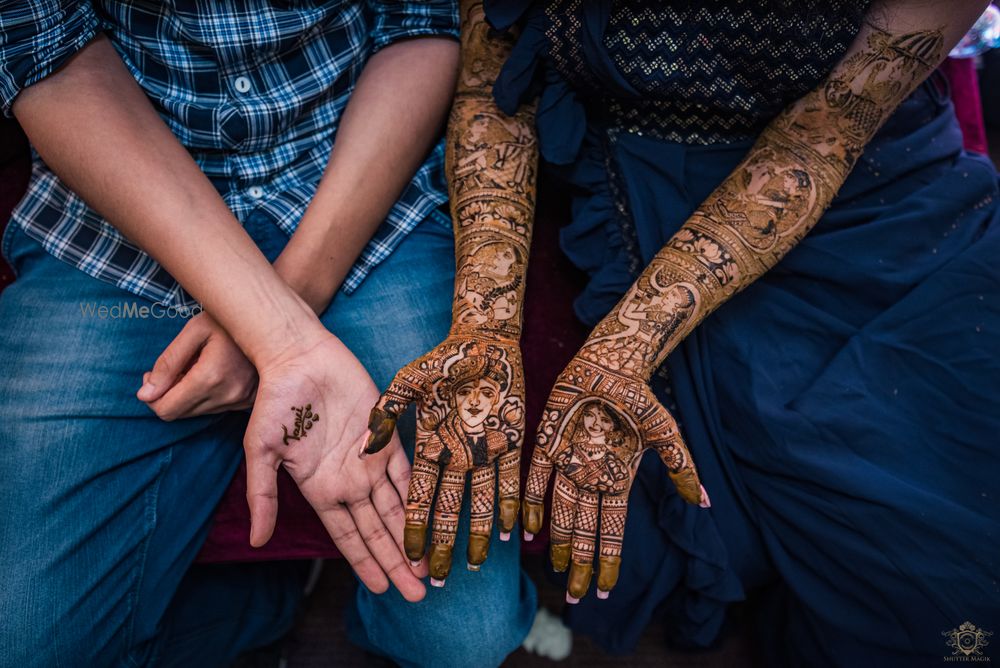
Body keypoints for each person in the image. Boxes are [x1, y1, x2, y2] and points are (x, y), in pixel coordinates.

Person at [377, 0, 1000, 665]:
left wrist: (620, 353)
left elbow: (824, 136)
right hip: (637, 186)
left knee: (928, 544)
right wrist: (485, 325)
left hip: (867, 201)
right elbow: (492, 86)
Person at [0, 1, 534, 666]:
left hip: (359, 189)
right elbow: (48, 60)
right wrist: (280, 338)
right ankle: (263, 602)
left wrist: (276, 321)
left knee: (465, 637)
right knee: (20, 641)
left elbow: (422, 27)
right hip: (117, 219)